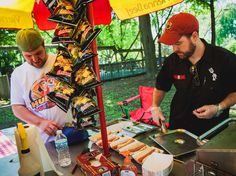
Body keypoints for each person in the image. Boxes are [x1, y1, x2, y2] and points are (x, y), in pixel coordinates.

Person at [151, 12, 236, 136]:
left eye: (178, 43)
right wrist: (155, 106)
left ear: (194, 36)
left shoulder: (225, 59)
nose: (174, 49)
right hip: (178, 130)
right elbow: (161, 86)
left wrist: (218, 107)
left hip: (213, 132)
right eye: (172, 44)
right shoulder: (172, 61)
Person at [10, 28, 71, 143]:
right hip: (43, 140)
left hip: (73, 132)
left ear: (43, 44)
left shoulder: (61, 62)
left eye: (38, 53)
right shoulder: (18, 74)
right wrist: (40, 122)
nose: (35, 59)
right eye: (28, 56)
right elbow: (17, 107)